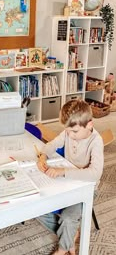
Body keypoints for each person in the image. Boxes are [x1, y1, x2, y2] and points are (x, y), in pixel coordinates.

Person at [37, 99, 104, 255]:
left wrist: (63, 171)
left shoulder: (96, 141)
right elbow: (52, 144)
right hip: (66, 183)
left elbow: (95, 173)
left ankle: (62, 249)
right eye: (67, 132)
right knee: (35, 208)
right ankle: (70, 235)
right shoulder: (69, 131)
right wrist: (43, 155)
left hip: (86, 188)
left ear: (89, 125)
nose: (70, 135)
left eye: (74, 132)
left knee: (68, 219)